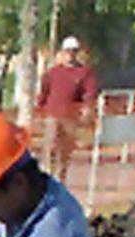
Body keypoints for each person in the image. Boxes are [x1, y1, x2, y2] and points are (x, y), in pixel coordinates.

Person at [37, 36, 99, 182]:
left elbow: (89, 92)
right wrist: (40, 112)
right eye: (67, 51)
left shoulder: (84, 73)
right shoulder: (52, 72)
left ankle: (60, 181)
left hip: (70, 117)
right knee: (50, 147)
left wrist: (87, 108)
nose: (70, 54)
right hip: (52, 116)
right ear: (62, 52)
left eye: (73, 51)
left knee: (64, 152)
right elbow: (43, 93)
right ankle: (45, 180)